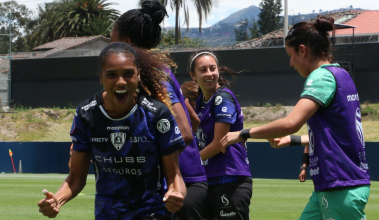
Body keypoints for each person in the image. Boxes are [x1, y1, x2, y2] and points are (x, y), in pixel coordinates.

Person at [221, 15, 370, 220]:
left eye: (290, 55)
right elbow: (337, 135)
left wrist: (243, 134)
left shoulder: (321, 77)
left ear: (302, 49)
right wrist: (290, 140)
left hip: (340, 185)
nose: (290, 63)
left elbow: (291, 123)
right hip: (333, 184)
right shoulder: (341, 74)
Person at [38, 43, 186, 220]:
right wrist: (57, 201)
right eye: (111, 75)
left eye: (128, 74)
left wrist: (176, 194)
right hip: (107, 214)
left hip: (151, 212)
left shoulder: (157, 114)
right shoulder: (87, 114)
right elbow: (76, 177)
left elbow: (174, 174)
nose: (121, 81)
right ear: (101, 78)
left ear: (138, 75)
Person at [110, 2, 208, 219]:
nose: (108, 50)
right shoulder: (154, 71)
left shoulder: (152, 74)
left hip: (180, 187)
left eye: (112, 42)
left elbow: (184, 132)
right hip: (181, 183)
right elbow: (192, 119)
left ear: (126, 44)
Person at [189, 50, 252, 220]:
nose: (209, 74)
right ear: (193, 75)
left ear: (218, 71)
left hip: (230, 178)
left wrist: (190, 162)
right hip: (208, 179)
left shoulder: (222, 98)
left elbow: (219, 143)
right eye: (203, 70)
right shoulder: (201, 102)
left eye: (212, 68)